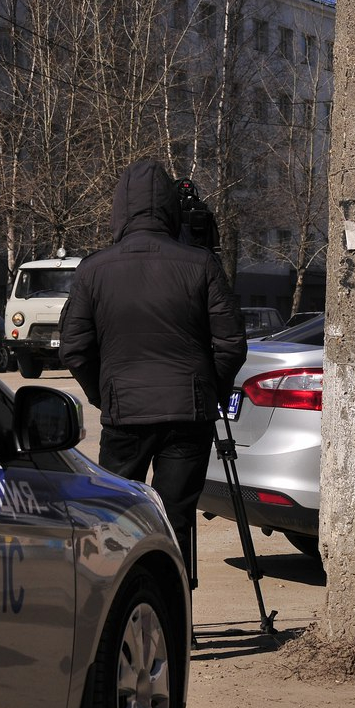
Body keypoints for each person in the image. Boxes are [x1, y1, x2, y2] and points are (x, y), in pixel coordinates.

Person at [60, 158, 246, 569]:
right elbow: (231, 342)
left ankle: (127, 611)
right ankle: (179, 623)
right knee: (175, 519)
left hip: (125, 413)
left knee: (119, 519)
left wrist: (104, 395)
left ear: (120, 209)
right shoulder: (201, 263)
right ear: (169, 209)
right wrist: (207, 391)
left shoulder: (93, 269)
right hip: (187, 415)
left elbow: (74, 347)